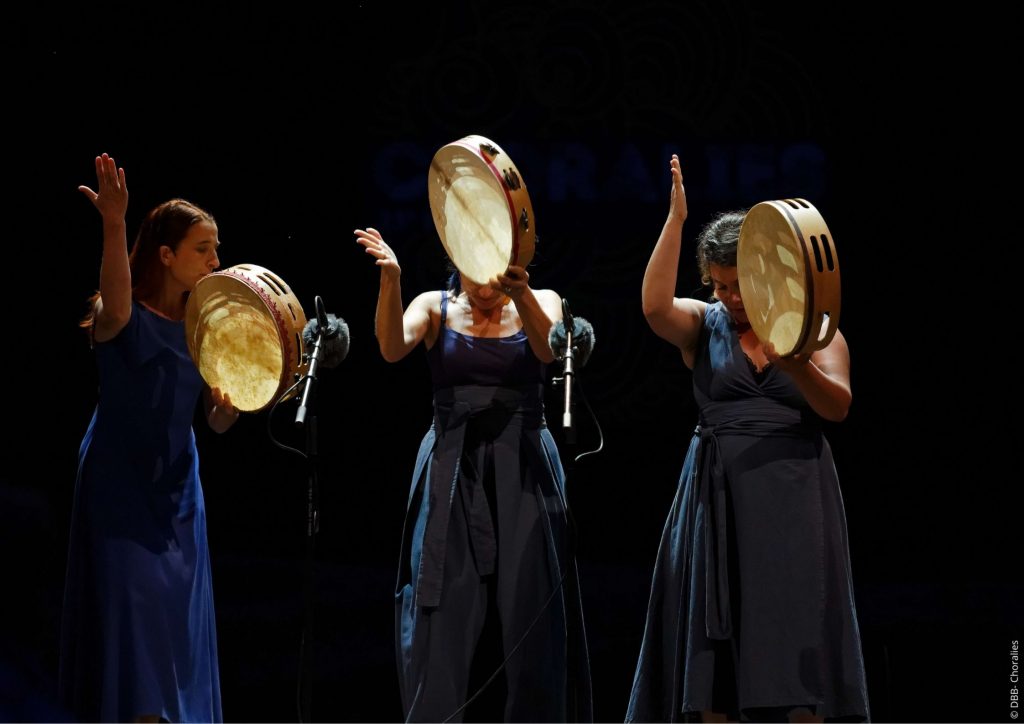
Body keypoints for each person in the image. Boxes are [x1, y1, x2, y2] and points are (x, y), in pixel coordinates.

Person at [626, 156, 869, 722]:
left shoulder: (816, 332)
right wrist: (675, 219)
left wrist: (797, 365)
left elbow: (837, 406)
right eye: (718, 286)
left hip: (796, 497)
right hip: (717, 498)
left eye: (739, 285)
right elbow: (655, 308)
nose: (729, 297)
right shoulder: (703, 325)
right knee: (716, 658)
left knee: (797, 631)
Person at [356, 226, 592, 722]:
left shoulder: (541, 299)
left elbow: (549, 351)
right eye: (473, 270)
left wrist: (520, 293)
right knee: (440, 604)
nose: (484, 285)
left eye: (493, 270)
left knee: (532, 604)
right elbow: (391, 347)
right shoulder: (434, 305)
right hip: (452, 462)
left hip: (523, 461)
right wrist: (391, 280)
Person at [60, 153, 238, 723]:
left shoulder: (207, 328)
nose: (216, 261)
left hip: (179, 499)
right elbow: (115, 303)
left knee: (176, 639)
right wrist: (114, 223)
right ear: (166, 255)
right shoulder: (121, 315)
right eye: (203, 249)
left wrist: (228, 409)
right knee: (134, 638)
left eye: (216, 248)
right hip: (120, 491)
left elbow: (215, 423)